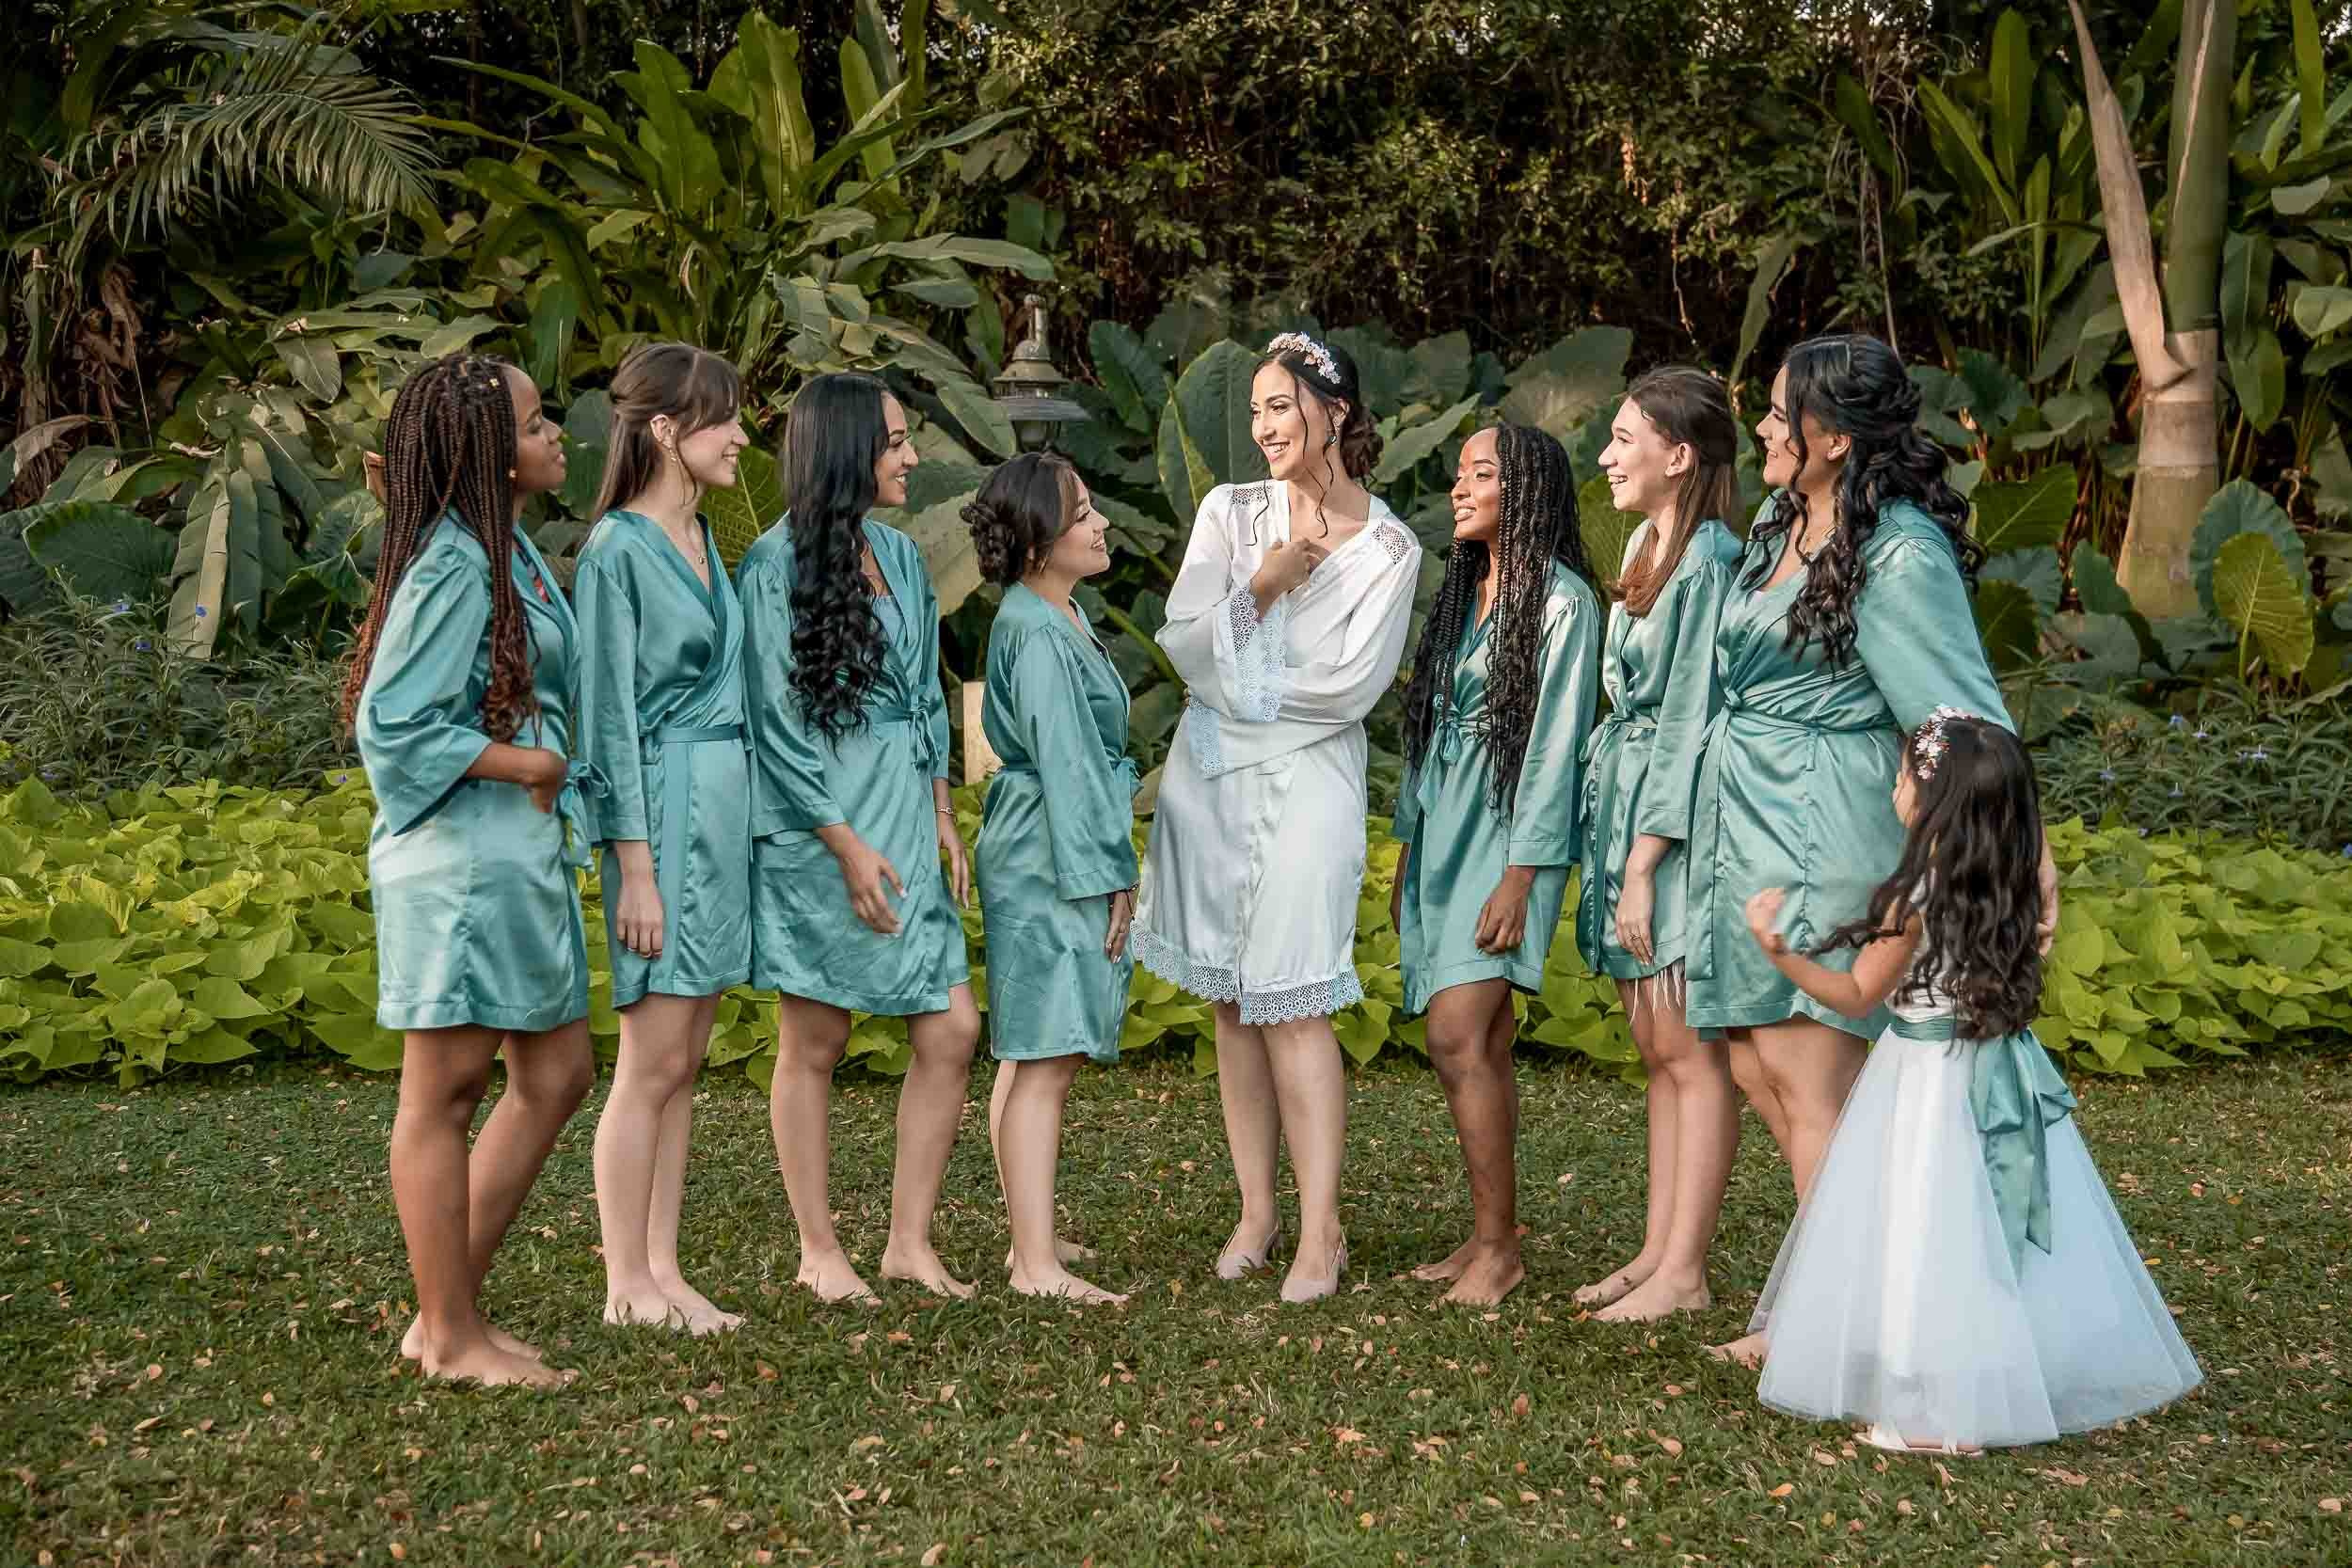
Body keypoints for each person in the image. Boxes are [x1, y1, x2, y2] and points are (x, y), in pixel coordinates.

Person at [1682, 335, 2058, 1357]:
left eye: (1777, 412)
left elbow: (1962, 710)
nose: (1760, 426)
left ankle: (1859, 1323)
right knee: (1759, 1066)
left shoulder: (1897, 550)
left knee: (1810, 1080)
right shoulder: (1774, 518)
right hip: (1746, 811)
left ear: (1835, 437)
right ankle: (1828, 1291)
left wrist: (2023, 853)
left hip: (1828, 814)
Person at [1736, 710, 2201, 1452]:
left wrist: (1780, 952)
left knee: (1923, 1224)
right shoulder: (2003, 881)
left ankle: (1932, 1408)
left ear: (1932, 802)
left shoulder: (1914, 897)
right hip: (1991, 1064)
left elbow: (1856, 994)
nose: (1892, 788)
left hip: (1925, 1078)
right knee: (1979, 1228)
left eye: (1901, 777)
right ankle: (1994, 1372)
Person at [1130, 332, 1422, 1302]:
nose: (1262, 428)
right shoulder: (1229, 511)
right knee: (1229, 1000)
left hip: (1308, 777)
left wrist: (1238, 682)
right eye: (1255, 410)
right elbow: (1183, 638)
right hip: (1209, 779)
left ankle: (1321, 1227)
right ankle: (1257, 1208)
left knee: (1293, 996)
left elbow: (1347, 687)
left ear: (1333, 412)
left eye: (1280, 407)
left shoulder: (1389, 547)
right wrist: (1260, 583)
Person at [346, 354, 593, 1388]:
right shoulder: (456, 566)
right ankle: (450, 1333)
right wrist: (531, 758)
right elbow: (394, 722)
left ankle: (444, 1307)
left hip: (509, 857)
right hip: (460, 863)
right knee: (443, 1091)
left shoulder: (504, 552)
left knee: (558, 1071)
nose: (556, 437)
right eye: (538, 425)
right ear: (492, 456)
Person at [739, 372, 979, 1304]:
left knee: (952, 1026)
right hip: (819, 821)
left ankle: (908, 1241)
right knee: (817, 1032)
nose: (910, 456)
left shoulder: (904, 557)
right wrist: (842, 842)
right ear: (842, 450)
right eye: (891, 440)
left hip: (904, 815)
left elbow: (925, 695)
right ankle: (818, 1247)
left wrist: (940, 812)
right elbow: (772, 719)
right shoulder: (772, 565)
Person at [1390, 422, 1599, 1307]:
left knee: (1457, 1032)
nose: (1460, 488)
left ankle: (1500, 1254)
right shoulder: (1466, 592)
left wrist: (1523, 872)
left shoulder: (1563, 604)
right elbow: (1428, 729)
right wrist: (1409, 835)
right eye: (1459, 474)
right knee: (1480, 1043)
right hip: (1444, 827)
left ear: (1529, 491)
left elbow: (1556, 746)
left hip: (1511, 829)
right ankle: (1490, 1237)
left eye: (1482, 473)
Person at [574, 341, 753, 1334]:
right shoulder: (616, 552)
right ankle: (623, 1282)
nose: (739, 437)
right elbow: (604, 718)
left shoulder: (702, 540)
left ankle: (665, 1267)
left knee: (686, 1056)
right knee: (649, 1058)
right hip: (663, 809)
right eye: (721, 419)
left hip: (722, 806)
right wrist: (633, 865)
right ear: (664, 432)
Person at [1571, 368, 1755, 1322]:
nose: (1605, 455)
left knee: (1687, 1040)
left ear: (1678, 457)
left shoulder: (1712, 555)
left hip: (1674, 814)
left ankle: (1686, 1268)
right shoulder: (1648, 539)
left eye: (1623, 437)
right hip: (1629, 788)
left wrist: (1644, 860)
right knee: (1652, 1037)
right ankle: (1654, 1250)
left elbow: (1688, 711)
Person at [966, 452, 1138, 1306]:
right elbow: (1070, 763)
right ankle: (1036, 1264)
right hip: (1049, 850)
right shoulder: (1034, 629)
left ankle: (1027, 1236)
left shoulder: (1053, 613)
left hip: (1042, 838)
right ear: (1039, 540)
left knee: (1028, 1050)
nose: (1100, 521)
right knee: (1045, 1057)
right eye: (1080, 512)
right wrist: (1111, 874)